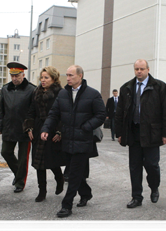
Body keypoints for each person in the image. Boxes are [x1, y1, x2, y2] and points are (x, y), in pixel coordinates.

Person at [41, 65, 106, 218]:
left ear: (80, 76)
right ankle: (86, 193)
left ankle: (66, 205)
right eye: (67, 75)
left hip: (83, 141)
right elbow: (53, 114)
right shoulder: (63, 94)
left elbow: (101, 114)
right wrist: (45, 129)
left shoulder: (92, 94)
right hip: (67, 140)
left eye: (71, 75)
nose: (68, 78)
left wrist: (86, 127)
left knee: (73, 174)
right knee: (75, 173)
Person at [115, 59, 166, 209]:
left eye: (142, 69)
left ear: (148, 69)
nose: (139, 72)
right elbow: (120, 113)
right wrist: (120, 133)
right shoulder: (126, 88)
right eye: (136, 69)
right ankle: (136, 197)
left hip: (151, 133)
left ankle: (154, 187)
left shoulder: (159, 87)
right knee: (134, 166)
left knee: (152, 165)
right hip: (133, 132)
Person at [23, 66, 66, 202]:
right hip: (38, 130)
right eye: (42, 77)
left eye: (46, 78)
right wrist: (29, 128)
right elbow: (31, 111)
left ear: (53, 79)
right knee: (38, 163)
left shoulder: (61, 93)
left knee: (52, 161)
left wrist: (59, 131)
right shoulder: (36, 92)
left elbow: (63, 115)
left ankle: (59, 179)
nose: (43, 80)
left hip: (53, 130)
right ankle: (42, 191)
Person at [0, 62, 36, 193]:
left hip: (25, 129)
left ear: (23, 75)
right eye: (12, 75)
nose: (14, 78)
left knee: (23, 157)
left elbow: (34, 112)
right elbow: (1, 109)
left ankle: (20, 182)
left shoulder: (32, 89)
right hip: (9, 126)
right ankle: (18, 173)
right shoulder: (5, 89)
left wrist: (31, 127)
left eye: (17, 75)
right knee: (5, 152)